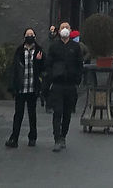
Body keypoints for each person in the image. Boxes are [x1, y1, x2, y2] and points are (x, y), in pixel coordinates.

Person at [42, 20, 83, 152]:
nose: (65, 29)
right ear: (59, 31)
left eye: (67, 27)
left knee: (67, 113)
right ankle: (57, 138)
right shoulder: (54, 46)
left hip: (70, 84)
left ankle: (63, 135)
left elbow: (79, 64)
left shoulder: (75, 47)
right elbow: (48, 64)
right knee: (57, 112)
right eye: (62, 28)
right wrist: (49, 78)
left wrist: (77, 80)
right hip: (58, 84)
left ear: (70, 31)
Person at [5, 27, 44, 148]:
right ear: (24, 37)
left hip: (32, 87)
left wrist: (39, 61)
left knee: (32, 114)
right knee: (18, 114)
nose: (30, 36)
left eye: (31, 34)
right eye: (28, 34)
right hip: (21, 88)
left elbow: (43, 68)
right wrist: (13, 86)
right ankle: (14, 138)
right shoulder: (19, 50)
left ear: (35, 37)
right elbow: (14, 69)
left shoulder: (39, 50)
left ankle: (32, 137)